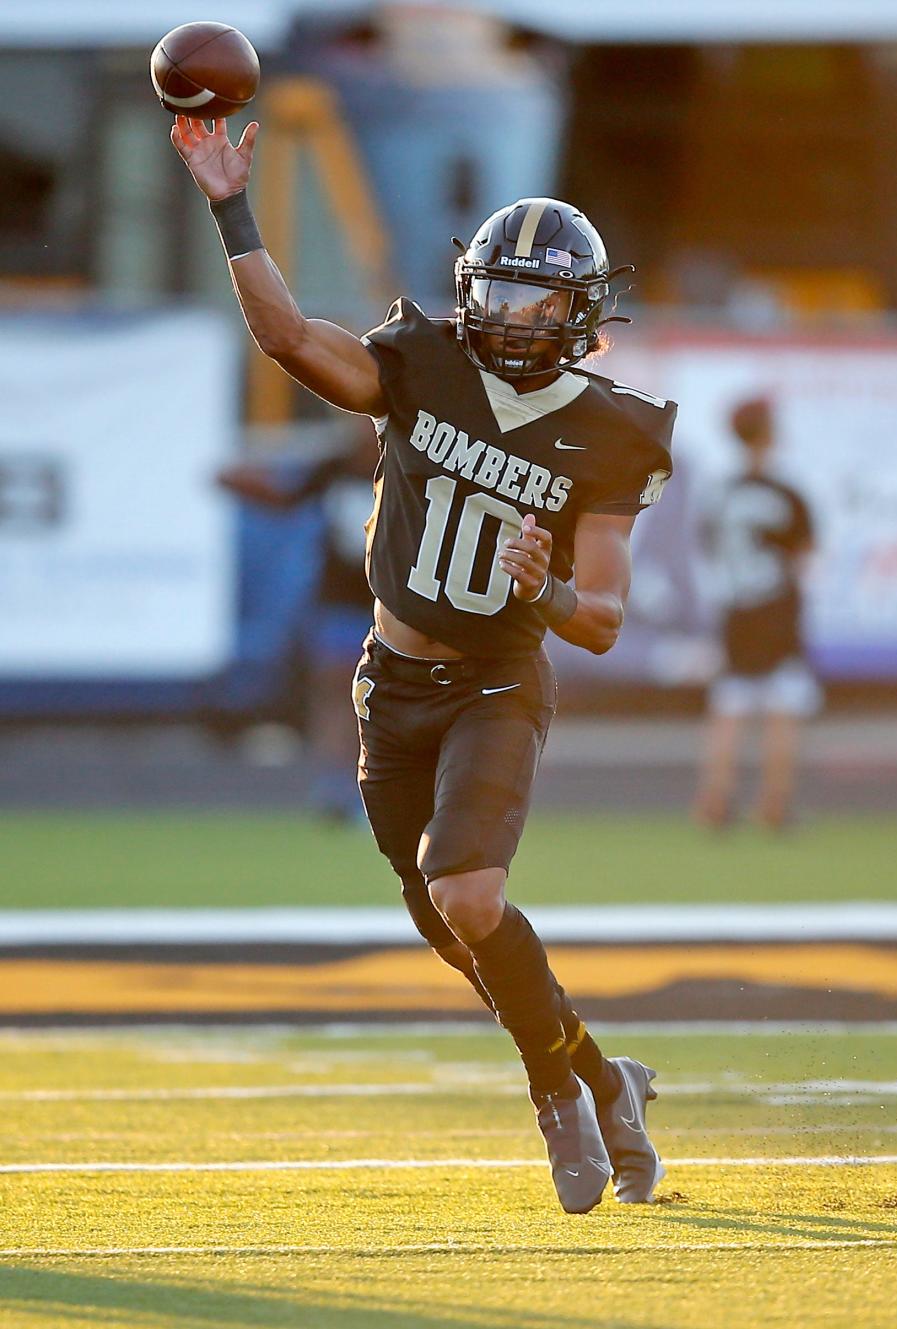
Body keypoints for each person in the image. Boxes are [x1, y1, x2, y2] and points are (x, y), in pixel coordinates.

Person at [171, 114, 676, 1214]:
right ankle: (607, 1076)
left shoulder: (611, 432)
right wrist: (230, 206)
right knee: (456, 929)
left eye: (537, 301)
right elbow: (291, 340)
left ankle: (556, 1101)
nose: (508, 317)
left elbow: (600, 619)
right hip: (388, 682)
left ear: (580, 316)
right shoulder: (422, 360)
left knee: (469, 891)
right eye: (497, 292)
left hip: (496, 680)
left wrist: (539, 585)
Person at [218, 423, 378, 820]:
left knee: (386, 699)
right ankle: (336, 788)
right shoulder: (334, 469)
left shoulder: (408, 469)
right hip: (341, 603)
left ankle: (381, 788)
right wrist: (242, 482)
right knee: (337, 694)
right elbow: (285, 496)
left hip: (394, 605)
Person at [694, 396, 819, 830]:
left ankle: (714, 802)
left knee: (730, 705)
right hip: (777, 609)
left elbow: (708, 549)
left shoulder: (721, 492)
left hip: (736, 610)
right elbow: (805, 556)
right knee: (782, 706)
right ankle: (774, 805)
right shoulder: (785, 493)